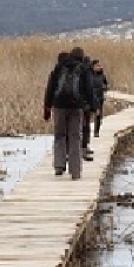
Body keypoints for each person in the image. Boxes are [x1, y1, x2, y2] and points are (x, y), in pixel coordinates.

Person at [44, 47, 96, 180]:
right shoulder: (83, 69)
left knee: (59, 135)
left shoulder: (59, 68)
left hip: (59, 106)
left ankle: (59, 166)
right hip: (76, 107)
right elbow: (89, 90)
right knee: (75, 137)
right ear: (82, 57)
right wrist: (93, 107)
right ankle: (75, 171)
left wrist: (47, 108)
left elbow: (50, 89)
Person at [90, 59, 109, 137]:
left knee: (98, 115)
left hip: (99, 98)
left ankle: (96, 131)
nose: (99, 67)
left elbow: (106, 85)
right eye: (97, 66)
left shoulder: (102, 75)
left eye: (99, 65)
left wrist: (104, 88)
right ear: (92, 66)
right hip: (90, 97)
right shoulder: (89, 75)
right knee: (88, 115)